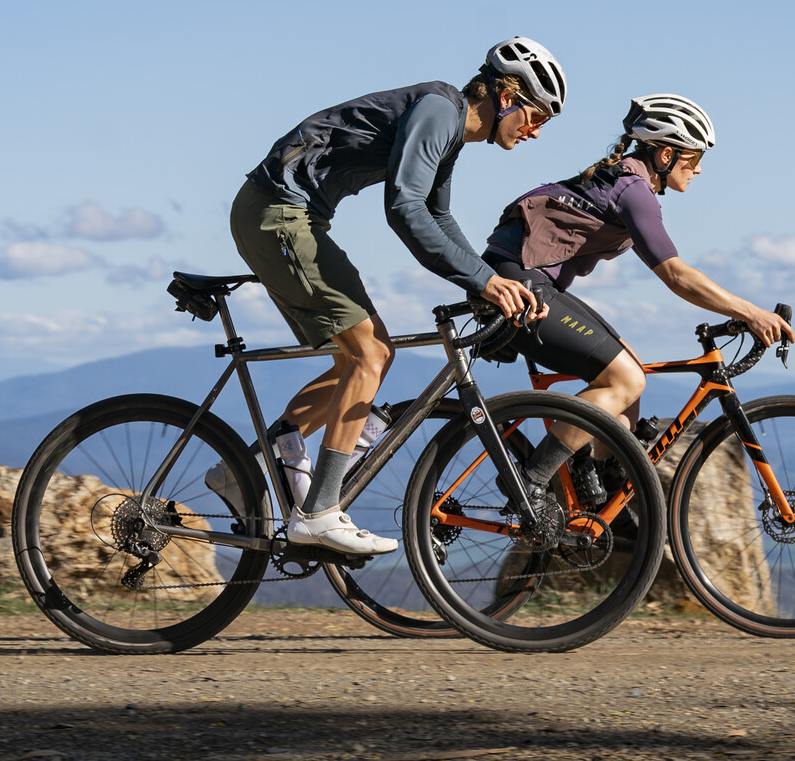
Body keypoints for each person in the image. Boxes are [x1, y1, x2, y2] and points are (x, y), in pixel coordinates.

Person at [207, 37, 566, 556]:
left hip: (281, 214)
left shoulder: (448, 129)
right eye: (537, 117)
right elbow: (405, 208)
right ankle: (319, 512)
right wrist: (485, 282)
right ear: (507, 96)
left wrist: (486, 278)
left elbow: (438, 217)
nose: (535, 131)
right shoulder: (441, 111)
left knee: (356, 361)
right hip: (279, 215)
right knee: (371, 353)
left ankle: (243, 471)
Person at [478, 93, 793, 503]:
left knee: (628, 366)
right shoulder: (634, 190)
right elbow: (676, 275)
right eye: (693, 160)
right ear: (665, 154)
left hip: (526, 282)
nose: (698, 170)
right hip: (518, 287)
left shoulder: (623, 180)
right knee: (625, 378)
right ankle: (531, 479)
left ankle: (607, 483)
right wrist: (750, 312)